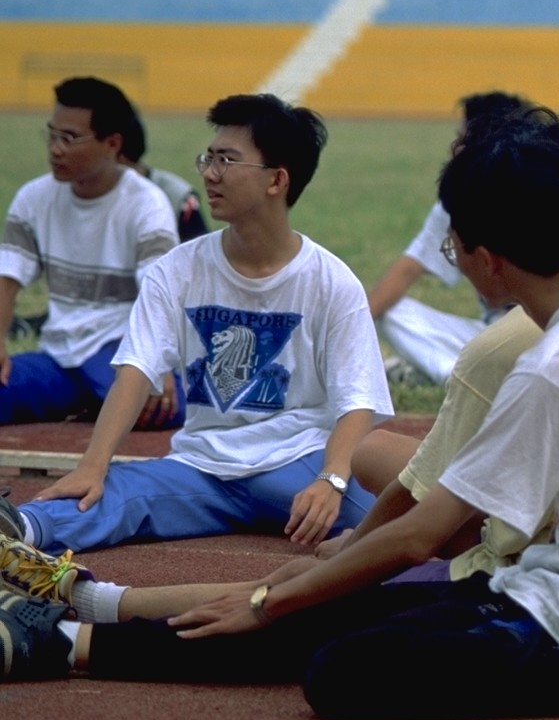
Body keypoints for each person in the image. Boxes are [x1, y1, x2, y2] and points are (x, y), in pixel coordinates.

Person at [1, 107, 559, 720]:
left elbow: (423, 534)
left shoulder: (556, 370)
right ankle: (66, 639)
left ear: (487, 258)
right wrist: (312, 579)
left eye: (453, 245)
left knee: (347, 669)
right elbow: (415, 528)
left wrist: (276, 593)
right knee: (322, 608)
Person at [0, 93, 389, 555]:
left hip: (299, 463)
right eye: (208, 157)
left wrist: (332, 479)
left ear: (277, 180)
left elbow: (358, 401)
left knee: (392, 529)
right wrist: (92, 464)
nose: (208, 173)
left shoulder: (331, 282)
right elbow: (136, 369)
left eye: (226, 160)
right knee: (106, 496)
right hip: (201, 469)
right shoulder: (177, 269)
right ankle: (17, 532)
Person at [1, 76, 182, 429]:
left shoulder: (146, 204)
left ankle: (98, 398)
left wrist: (158, 367)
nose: (55, 148)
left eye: (69, 138)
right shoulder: (33, 198)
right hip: (57, 355)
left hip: (118, 351)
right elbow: (7, 279)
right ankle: (86, 399)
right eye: (52, 135)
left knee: (157, 409)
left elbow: (160, 295)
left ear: (112, 143)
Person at [368, 91, 529, 385]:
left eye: (461, 138)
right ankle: (457, 373)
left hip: (540, 332)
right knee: (391, 312)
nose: (454, 149)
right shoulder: (457, 197)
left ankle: (460, 373)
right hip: (489, 332)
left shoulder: (547, 192)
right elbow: (408, 268)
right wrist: (344, 340)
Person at [113, 96, 210, 244]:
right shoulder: (72, 193)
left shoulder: (177, 198)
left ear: (115, 146)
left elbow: (200, 258)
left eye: (72, 139)